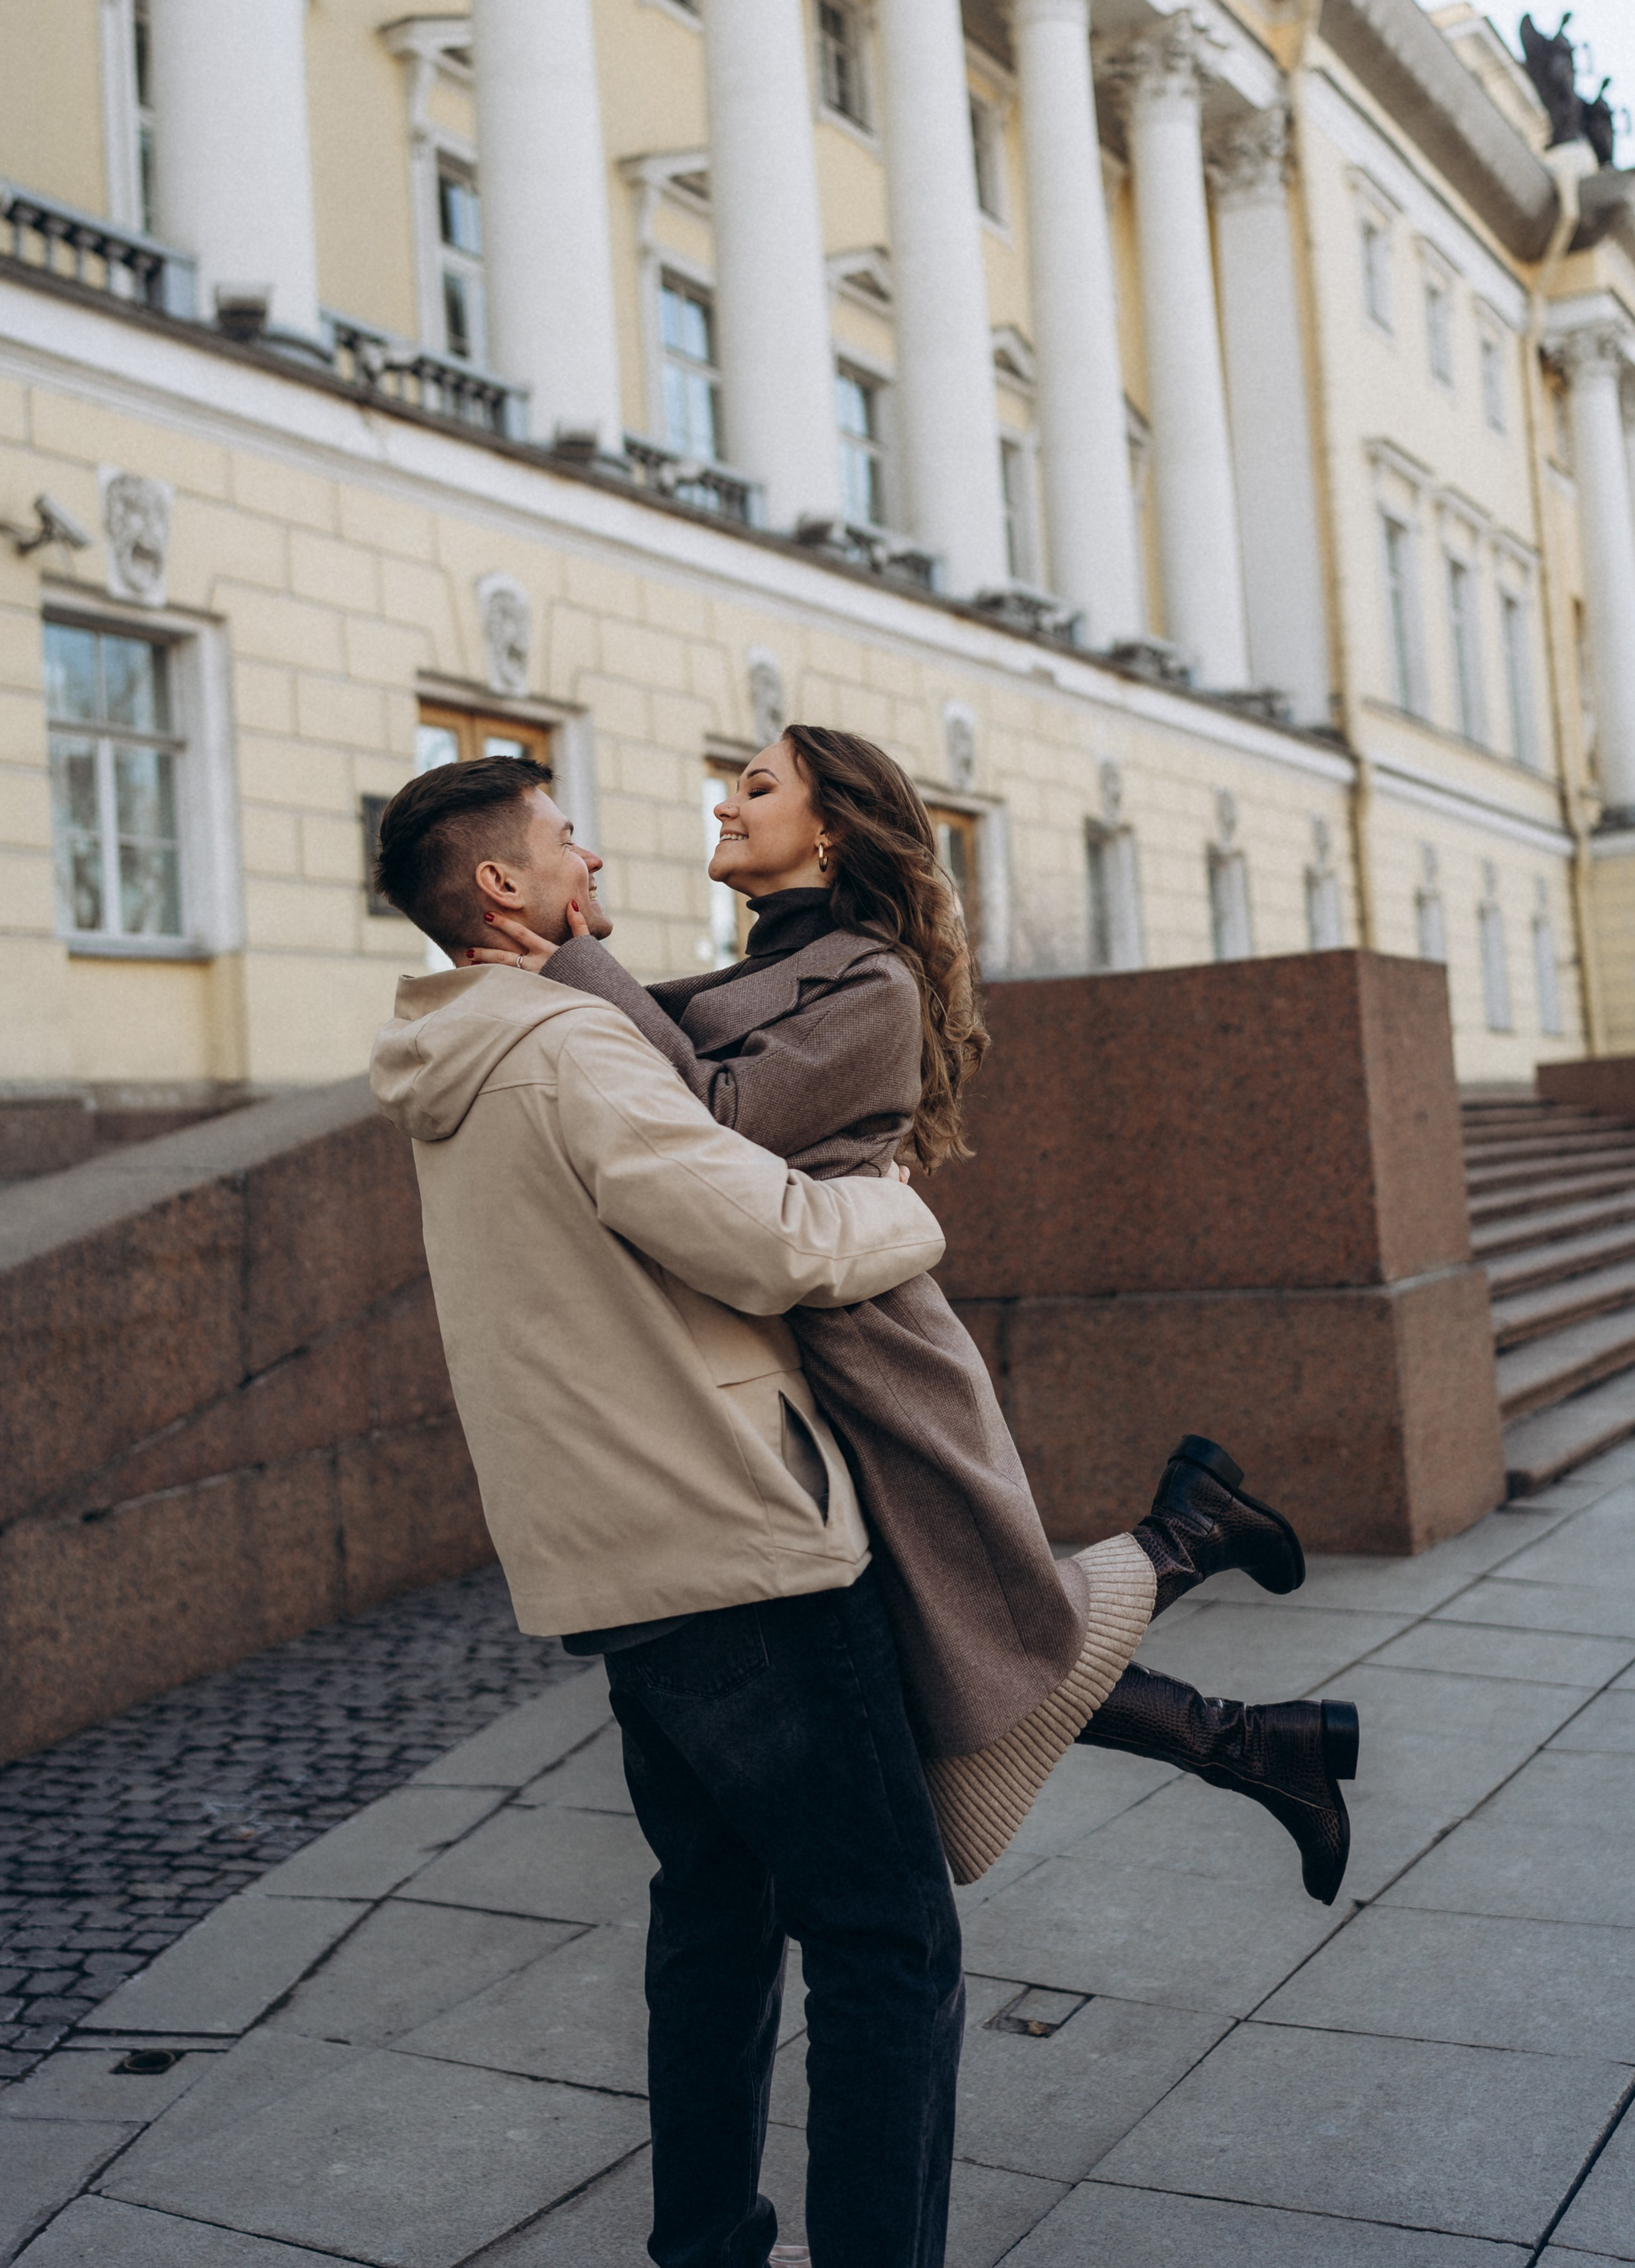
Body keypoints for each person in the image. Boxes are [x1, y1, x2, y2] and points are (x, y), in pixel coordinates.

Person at [468, 727, 1359, 1907]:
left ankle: (1199, 1554)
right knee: (962, 1663)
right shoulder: (758, 972)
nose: (725, 808)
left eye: (755, 787)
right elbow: (662, 1054)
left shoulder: (870, 982)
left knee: (974, 1651)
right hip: (792, 1355)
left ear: (829, 829)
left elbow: (719, 1115)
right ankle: (1242, 1710)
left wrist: (574, 968)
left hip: (870, 1359)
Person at [370, 754, 961, 2268]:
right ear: (502, 885)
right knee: (885, 1936)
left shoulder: (457, 1058)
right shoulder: (569, 1048)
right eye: (566, 838)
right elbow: (762, 1238)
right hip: (734, 1539)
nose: (594, 853)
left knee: (712, 1915)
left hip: (614, 1559)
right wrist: (899, 1205)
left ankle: (705, 2243)